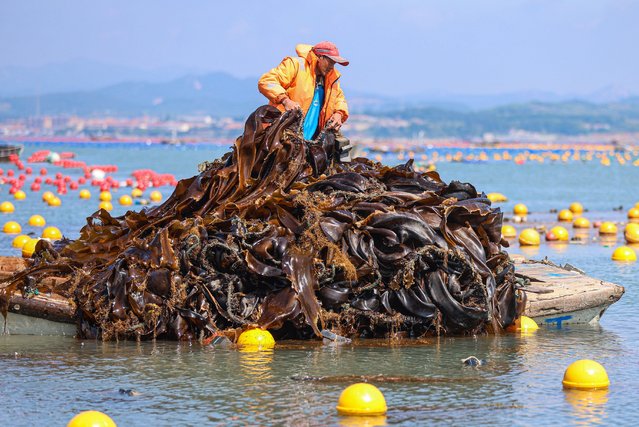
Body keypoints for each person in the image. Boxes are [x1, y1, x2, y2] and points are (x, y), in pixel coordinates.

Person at [258, 41, 349, 141]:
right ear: (320, 57)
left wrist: (339, 114)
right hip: (283, 132)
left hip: (314, 139)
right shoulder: (295, 65)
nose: (332, 67)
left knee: (341, 149)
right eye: (330, 62)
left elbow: (339, 99)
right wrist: (285, 100)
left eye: (334, 63)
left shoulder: (332, 77)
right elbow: (266, 81)